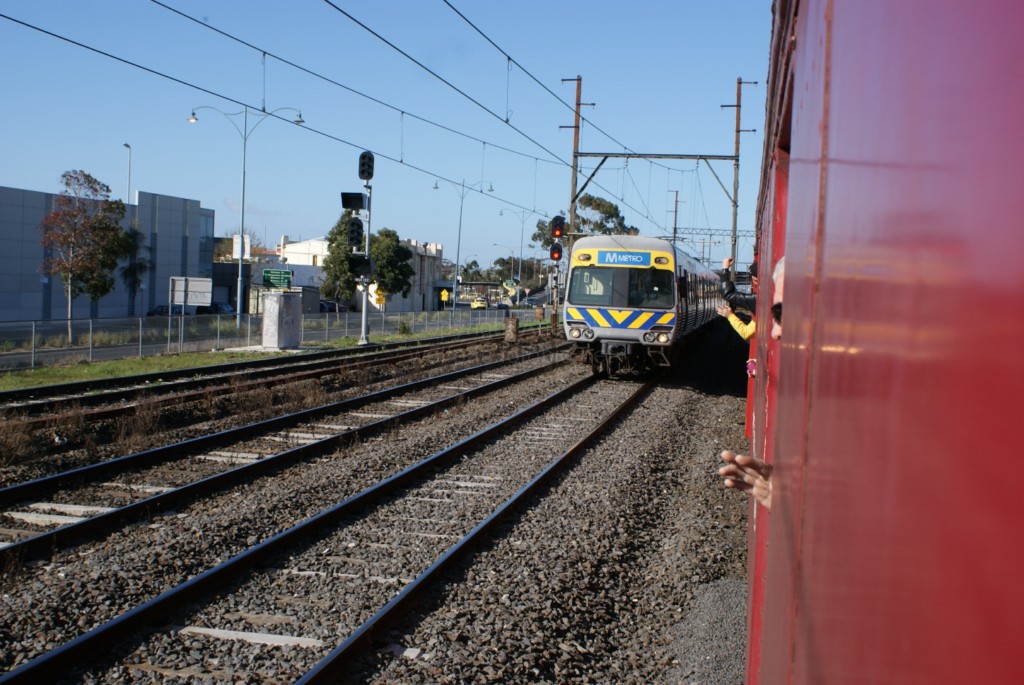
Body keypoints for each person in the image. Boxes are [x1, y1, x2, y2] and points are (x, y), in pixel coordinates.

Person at [719, 256, 784, 509]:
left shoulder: (761, 299)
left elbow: (746, 329)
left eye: (782, 314)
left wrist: (725, 271)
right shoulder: (763, 298)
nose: (776, 331)